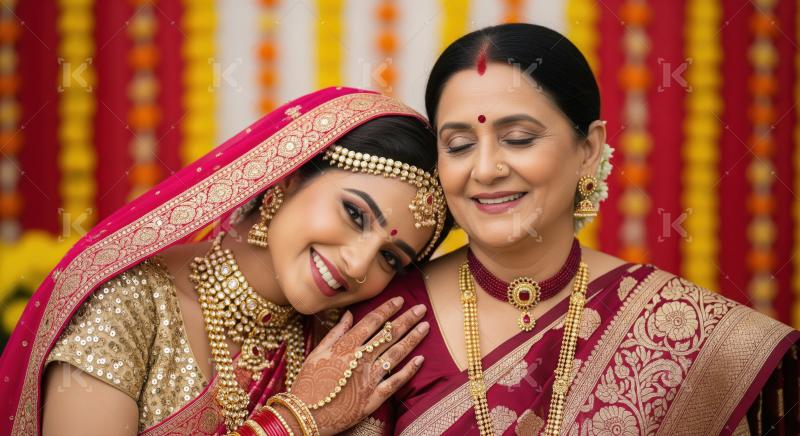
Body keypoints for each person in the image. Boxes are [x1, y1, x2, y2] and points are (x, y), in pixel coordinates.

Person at [348, 24, 799, 435]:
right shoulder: (391, 319)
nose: (485, 170)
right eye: (459, 145)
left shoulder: (680, 326)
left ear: (588, 149)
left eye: (519, 138)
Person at [0, 87, 453, 436]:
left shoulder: (340, 350)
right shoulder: (128, 301)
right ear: (290, 178)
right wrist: (293, 423)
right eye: (354, 214)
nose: (358, 265)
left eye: (391, 258)